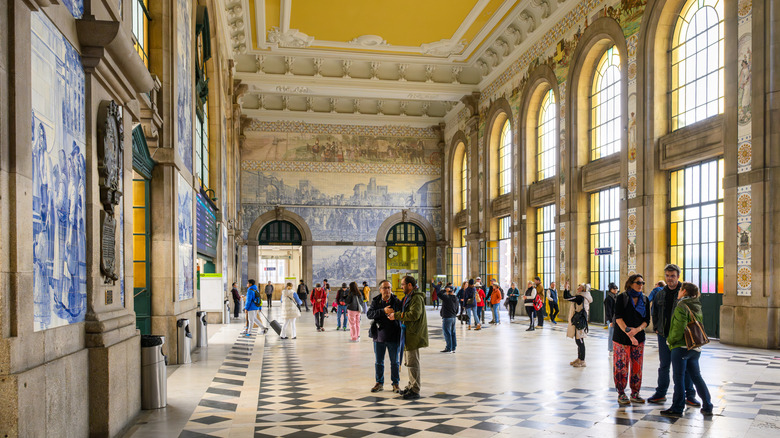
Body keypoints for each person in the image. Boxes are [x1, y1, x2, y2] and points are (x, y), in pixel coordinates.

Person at [648, 264, 699, 406]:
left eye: (673, 276)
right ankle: (661, 393)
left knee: (685, 366)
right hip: (664, 335)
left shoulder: (685, 292)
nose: (670, 279)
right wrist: (657, 327)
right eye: (668, 276)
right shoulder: (660, 293)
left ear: (678, 276)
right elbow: (655, 312)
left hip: (682, 337)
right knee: (664, 365)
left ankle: (690, 395)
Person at [660, 282, 714, 417]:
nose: (678, 292)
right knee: (697, 377)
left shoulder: (681, 306)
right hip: (694, 347)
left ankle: (677, 408)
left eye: (680, 290)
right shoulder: (696, 305)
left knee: (679, 378)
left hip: (681, 347)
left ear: (684, 292)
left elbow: (679, 328)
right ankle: (707, 405)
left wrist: (670, 341)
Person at [386, 276, 429, 400]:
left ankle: (415, 390)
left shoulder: (416, 298)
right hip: (408, 334)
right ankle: (411, 386)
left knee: (413, 363)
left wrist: (397, 315)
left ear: (410, 285)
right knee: (409, 363)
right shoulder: (409, 297)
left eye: (403, 284)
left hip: (413, 334)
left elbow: (415, 314)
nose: (401, 286)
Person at [612, 274, 651, 405]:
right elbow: (618, 318)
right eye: (638, 282)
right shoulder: (622, 297)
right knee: (621, 366)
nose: (641, 285)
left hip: (639, 338)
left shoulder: (645, 299)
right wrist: (630, 334)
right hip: (622, 338)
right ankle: (621, 393)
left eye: (642, 283)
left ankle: (635, 392)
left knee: (637, 366)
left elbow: (647, 321)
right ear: (630, 283)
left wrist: (637, 330)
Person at [367, 280, 402, 393]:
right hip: (379, 336)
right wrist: (383, 311)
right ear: (380, 289)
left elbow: (402, 314)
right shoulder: (376, 301)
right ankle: (379, 383)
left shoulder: (396, 301)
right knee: (379, 362)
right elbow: (369, 314)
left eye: (389, 288)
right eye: (385, 288)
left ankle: (395, 383)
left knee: (395, 362)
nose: (387, 290)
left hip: (393, 336)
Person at [564, 283, 593, 367]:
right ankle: (579, 358)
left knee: (580, 341)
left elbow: (567, 297)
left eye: (579, 287)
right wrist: (566, 289)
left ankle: (582, 360)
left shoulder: (581, 297)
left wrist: (566, 289)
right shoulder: (580, 296)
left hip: (580, 321)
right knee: (578, 340)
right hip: (579, 320)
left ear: (583, 289)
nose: (577, 288)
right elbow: (570, 297)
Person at [439, 285, 458, 353]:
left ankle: (449, 347)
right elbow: (457, 309)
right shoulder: (455, 298)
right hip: (453, 317)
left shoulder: (446, 297)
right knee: (453, 332)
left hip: (447, 317)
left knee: (447, 332)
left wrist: (444, 290)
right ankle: (453, 347)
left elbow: (439, 294)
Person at [604, 282, 618, 353]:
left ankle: (614, 348)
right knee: (611, 334)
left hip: (616, 319)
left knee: (615, 334)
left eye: (616, 288)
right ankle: (610, 349)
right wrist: (610, 321)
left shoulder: (616, 297)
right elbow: (608, 311)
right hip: (611, 319)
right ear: (610, 289)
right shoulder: (608, 299)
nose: (615, 290)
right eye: (614, 288)